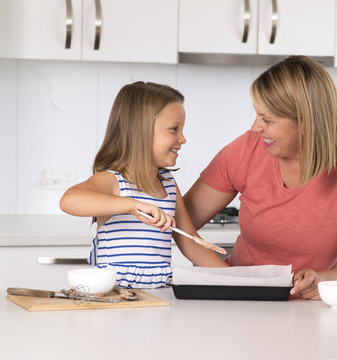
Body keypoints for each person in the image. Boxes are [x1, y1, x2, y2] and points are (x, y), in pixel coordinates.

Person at [183, 56, 337, 300]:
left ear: (306, 123)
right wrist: (228, 277)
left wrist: (320, 280)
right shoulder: (246, 150)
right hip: (242, 302)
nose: (256, 127)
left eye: (267, 120)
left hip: (317, 306)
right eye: (257, 115)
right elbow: (178, 222)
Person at [60, 81, 227, 289]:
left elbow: (192, 243)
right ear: (141, 131)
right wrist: (131, 205)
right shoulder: (112, 181)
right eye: (174, 129)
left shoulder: (167, 184)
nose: (183, 139)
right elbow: (69, 201)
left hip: (160, 292)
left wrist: (237, 279)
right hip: (117, 295)